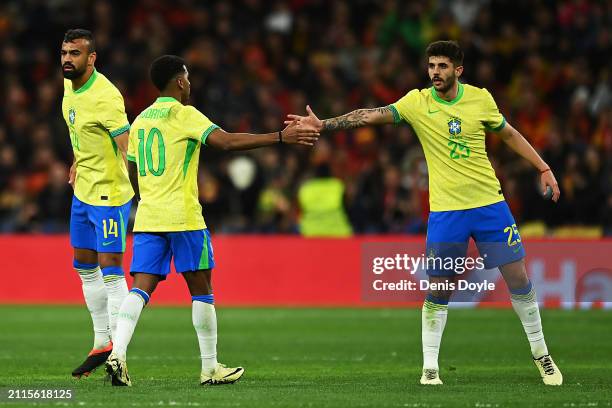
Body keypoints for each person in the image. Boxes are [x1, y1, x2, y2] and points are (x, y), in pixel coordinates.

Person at [287, 40, 563, 386]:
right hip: (447, 212)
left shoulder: (481, 99)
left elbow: (507, 134)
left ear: (458, 70)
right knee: (440, 288)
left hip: (490, 205)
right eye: (431, 65)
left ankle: (542, 356)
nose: (435, 72)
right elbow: (370, 116)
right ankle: (430, 367)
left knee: (519, 279)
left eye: (442, 66)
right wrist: (324, 124)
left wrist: (543, 167)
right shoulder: (417, 103)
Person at [105, 55, 318, 386]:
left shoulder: (142, 120)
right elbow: (228, 142)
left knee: (140, 289)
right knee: (201, 290)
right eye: (187, 78)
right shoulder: (185, 114)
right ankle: (210, 368)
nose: (189, 84)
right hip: (184, 217)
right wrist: (280, 137)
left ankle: (118, 353)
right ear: (179, 82)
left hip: (148, 216)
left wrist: (149, 194)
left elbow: (131, 167)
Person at [61, 29, 133, 378]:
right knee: (84, 266)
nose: (67, 59)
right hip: (83, 192)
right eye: (64, 52)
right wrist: (78, 159)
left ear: (92, 58)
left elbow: (127, 146)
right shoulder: (68, 85)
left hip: (109, 195)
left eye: (75, 53)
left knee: (111, 269)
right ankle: (101, 342)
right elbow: (80, 132)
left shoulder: (106, 96)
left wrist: (148, 191)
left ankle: (119, 354)